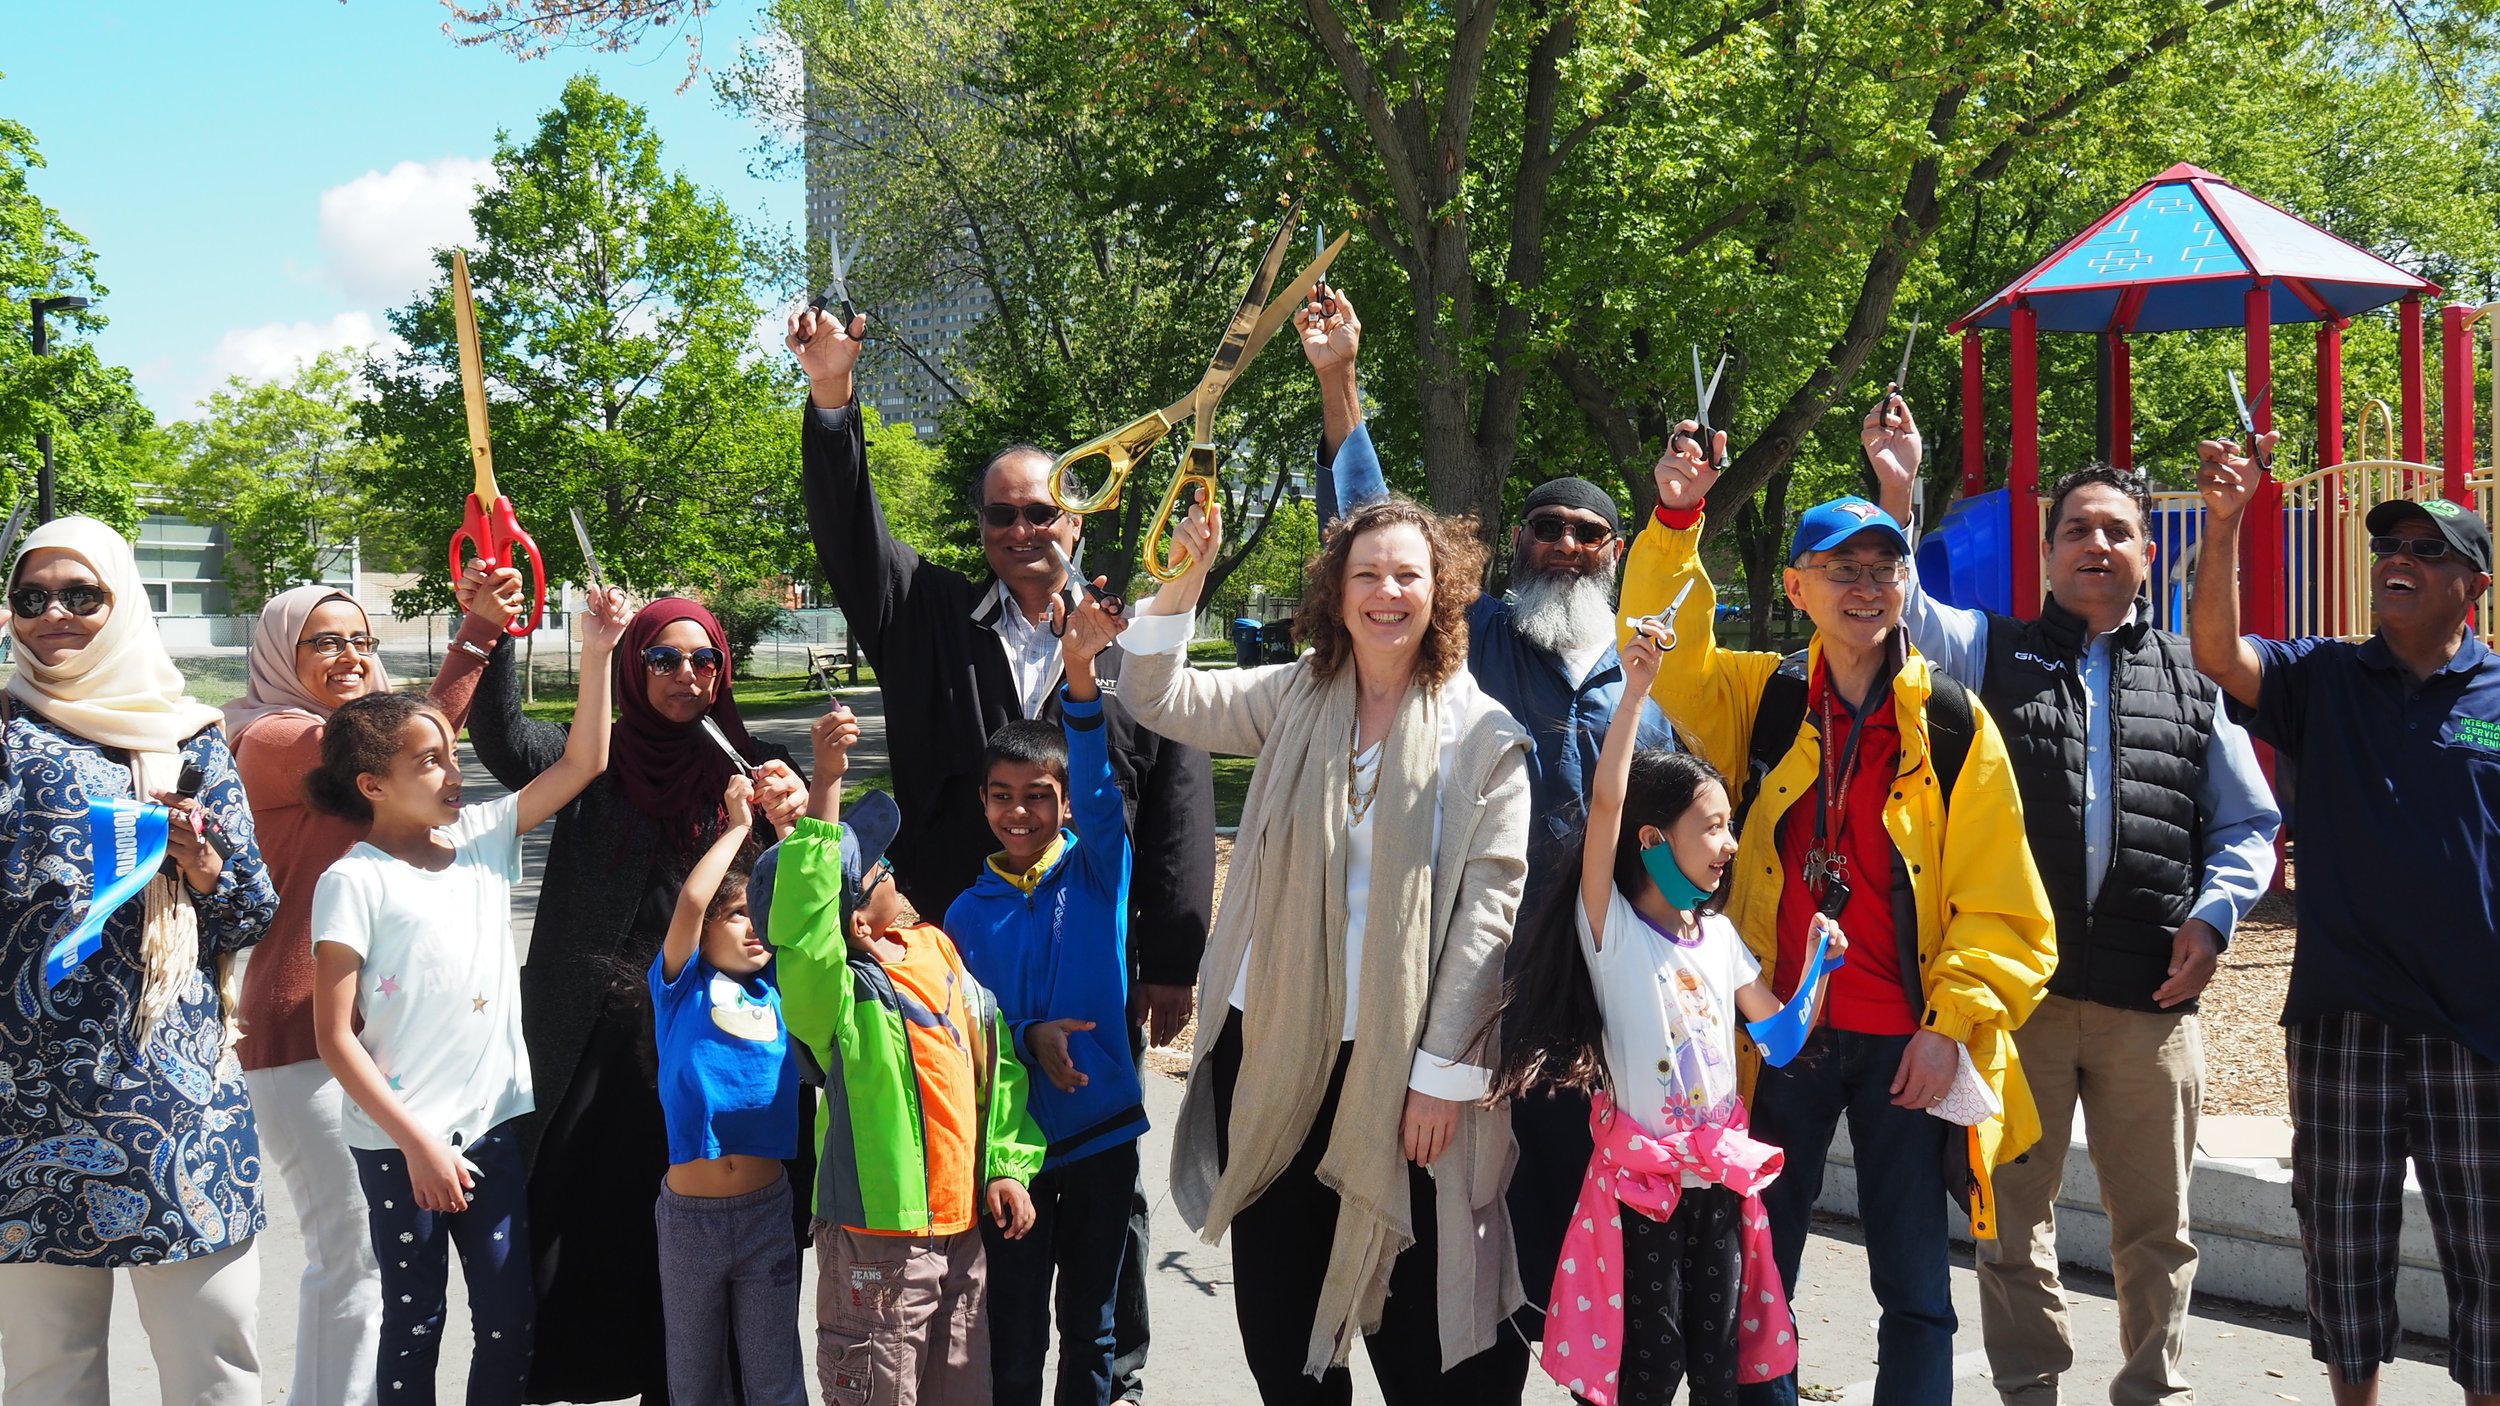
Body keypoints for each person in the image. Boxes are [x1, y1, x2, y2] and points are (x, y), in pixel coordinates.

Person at [788, 306, 1215, 1399]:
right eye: (1002, 516)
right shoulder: (926, 614)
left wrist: (1172, 954)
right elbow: (847, 534)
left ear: (1078, 515)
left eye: (1043, 511)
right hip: (952, 956)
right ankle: (1002, 1373)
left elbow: (1172, 790)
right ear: (980, 529)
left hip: (1091, 953)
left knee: (1103, 1187)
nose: (1024, 530)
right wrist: (833, 399)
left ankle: (1106, 1378)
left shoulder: (1127, 638)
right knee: (999, 1181)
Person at [1621, 431, 2056, 1405]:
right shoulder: (1762, 696)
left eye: (1882, 566)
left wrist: (1950, 1028)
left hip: (1905, 1047)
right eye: (1840, 569)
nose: (1866, 585)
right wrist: (1676, 521)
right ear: (1797, 585)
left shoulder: (1952, 722)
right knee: (1749, 1276)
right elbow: (1663, 648)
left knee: (1914, 1292)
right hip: (1777, 1043)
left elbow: (2002, 900)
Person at [1861, 396, 2280, 1406]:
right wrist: (1897, 489)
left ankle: (2150, 1387)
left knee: (2158, 1227)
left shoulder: (2195, 677)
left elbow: (2246, 822)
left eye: (2115, 530)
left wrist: (2216, 917)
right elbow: (1900, 607)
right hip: (2019, 1007)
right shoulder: (1985, 654)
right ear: (2047, 554)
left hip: (2152, 1003)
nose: (2095, 544)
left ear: (2147, 550)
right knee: (2009, 1215)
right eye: (2075, 528)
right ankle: (2029, 1388)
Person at [1302, 288, 1677, 1337]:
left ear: (1613, 551)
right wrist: (1339, 382)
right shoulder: (1474, 642)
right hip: (1460, 978)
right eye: (1547, 527)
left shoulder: (1638, 684)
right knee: (1459, 1226)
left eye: (1586, 532)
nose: (1564, 544)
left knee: (1579, 1229)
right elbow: (1376, 529)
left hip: (1594, 1000)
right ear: (1517, 542)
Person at [1119, 495, 1534, 1405]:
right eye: (1367, 573)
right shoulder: (1294, 696)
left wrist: (1438, 1074)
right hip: (1271, 1057)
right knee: (1281, 1335)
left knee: (1427, 1346)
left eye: (1408, 575)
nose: (1387, 592)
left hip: (1406, 1084)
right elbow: (1151, 692)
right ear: (1337, 591)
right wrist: (1189, 571)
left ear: (1444, 592)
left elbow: (1485, 921)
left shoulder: (1485, 736)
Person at [2191, 431, 2500, 1406]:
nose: (2397, 560)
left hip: (2478, 1031)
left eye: (2425, 549)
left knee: (2492, 1262)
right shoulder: (2322, 676)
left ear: (2472, 585)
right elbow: (2215, 653)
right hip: (2340, 1021)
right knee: (2343, 1245)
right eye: (2388, 547)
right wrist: (2226, 522)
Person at [459, 590, 810, 1404]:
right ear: (632, 664)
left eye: (703, 660)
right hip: (595, 1035)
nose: (684, 675)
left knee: (710, 1227)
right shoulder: (595, 752)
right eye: (662, 659)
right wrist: (497, 625)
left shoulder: (753, 766)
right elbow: (505, 741)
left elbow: (810, 884)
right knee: (587, 1211)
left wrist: (799, 803)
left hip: (717, 1040)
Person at [306, 586, 627, 1406]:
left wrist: (598, 651)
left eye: (452, 754)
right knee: (415, 1327)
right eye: (432, 762)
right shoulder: (352, 881)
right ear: (373, 786)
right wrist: (415, 1144)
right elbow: (336, 1039)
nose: (456, 773)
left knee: (509, 1321)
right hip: (397, 1146)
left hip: (488, 1133)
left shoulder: (481, 839)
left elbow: (585, 762)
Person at [1490, 617, 1823, 1406]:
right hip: (1639, 1191)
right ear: (1651, 839)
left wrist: (1819, 970)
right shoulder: (1610, 931)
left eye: (1729, 827)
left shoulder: (1722, 940)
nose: (1729, 844)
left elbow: (1777, 1037)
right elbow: (1604, 803)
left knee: (1717, 1366)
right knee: (1648, 1363)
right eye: (1712, 827)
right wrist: (1635, 689)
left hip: (1720, 1190)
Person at [224, 568, 521, 1406]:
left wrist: (479, 634)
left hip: (373, 1037)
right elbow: (404, 744)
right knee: (350, 1257)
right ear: (282, 652)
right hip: (301, 1035)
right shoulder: (275, 737)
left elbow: (413, 741)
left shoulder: (337, 736)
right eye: (325, 640)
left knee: (369, 1265)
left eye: (361, 638)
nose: (350, 655)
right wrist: (473, 637)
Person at [0, 516, 280, 1406]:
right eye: (31, 596)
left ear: (123, 605)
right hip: (24, 1104)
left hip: (174, 1099)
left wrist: (201, 866)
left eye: (82, 596)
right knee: (49, 1372)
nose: (55, 614)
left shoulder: (190, 738)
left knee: (214, 1362)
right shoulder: (2, 731)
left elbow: (251, 912)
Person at [757, 707, 1045, 1406]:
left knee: (963, 1391)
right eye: (879, 866)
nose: (893, 864)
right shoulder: (832, 991)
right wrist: (824, 784)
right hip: (876, 1242)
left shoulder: (936, 949)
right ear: (854, 918)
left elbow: (996, 1065)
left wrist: (1008, 1165)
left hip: (960, 1232)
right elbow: (803, 923)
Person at [945, 594, 1146, 1406]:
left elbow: (1103, 792)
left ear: (1064, 802)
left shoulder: (1099, 872)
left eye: (1038, 795)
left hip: (1101, 1140)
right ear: (983, 802)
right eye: (1002, 795)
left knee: (1091, 1326)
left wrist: (1079, 678)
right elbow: (968, 1031)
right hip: (1013, 1153)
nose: (1019, 812)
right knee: (1015, 1326)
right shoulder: (964, 914)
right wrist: (1031, 1038)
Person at [650, 772, 806, 1406]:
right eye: (738, 914)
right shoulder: (679, 988)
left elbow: (815, 902)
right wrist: (740, 825)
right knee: (694, 1383)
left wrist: (786, 828)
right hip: (690, 1222)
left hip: (768, 1212)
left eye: (761, 915)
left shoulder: (785, 990)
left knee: (775, 1379)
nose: (754, 928)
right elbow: (690, 902)